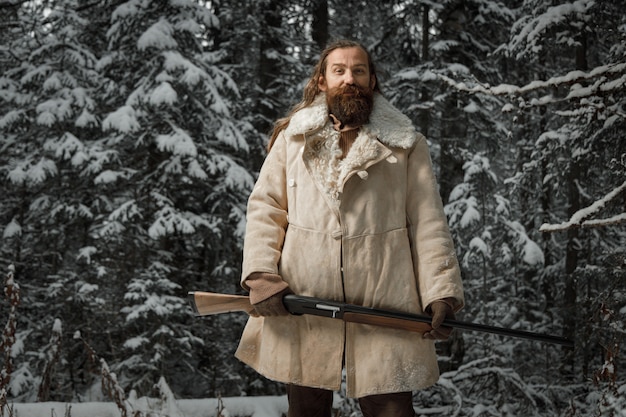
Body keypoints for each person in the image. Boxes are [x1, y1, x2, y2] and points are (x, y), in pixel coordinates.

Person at [235, 39, 465, 417]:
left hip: (385, 298)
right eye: (339, 70)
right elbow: (266, 207)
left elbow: (428, 222)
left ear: (372, 80)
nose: (349, 79)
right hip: (305, 296)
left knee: (390, 407)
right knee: (306, 407)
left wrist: (441, 292)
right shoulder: (293, 139)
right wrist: (261, 275)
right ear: (322, 81)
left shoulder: (406, 145)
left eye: (359, 71)